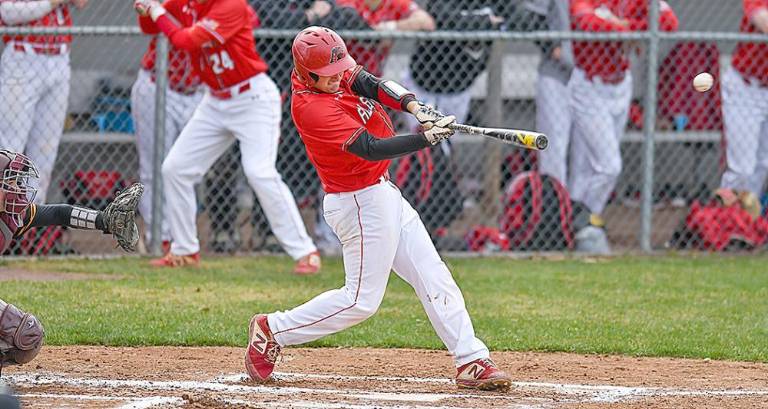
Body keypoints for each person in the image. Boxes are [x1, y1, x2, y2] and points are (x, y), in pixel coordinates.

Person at [244, 27, 511, 391]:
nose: (338, 77)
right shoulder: (310, 107)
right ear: (307, 74)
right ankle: (272, 329)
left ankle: (471, 359)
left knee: (433, 273)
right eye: (329, 75)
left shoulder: (333, 72)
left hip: (382, 193)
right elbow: (370, 147)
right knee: (360, 301)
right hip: (356, 202)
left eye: (339, 69)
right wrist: (424, 138)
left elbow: (373, 83)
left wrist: (415, 107)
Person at [133, 0, 321, 273]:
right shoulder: (184, 4)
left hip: (251, 98)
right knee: (176, 169)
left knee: (259, 172)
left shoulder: (231, 5)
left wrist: (157, 11)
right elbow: (149, 26)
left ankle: (306, 252)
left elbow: (188, 41)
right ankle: (184, 249)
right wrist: (150, 7)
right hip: (215, 102)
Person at [568, 0, 678, 253]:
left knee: (591, 167)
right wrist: (631, 30)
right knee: (608, 166)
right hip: (589, 87)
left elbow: (669, 23)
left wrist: (624, 26)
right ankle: (584, 221)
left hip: (620, 86)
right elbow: (586, 22)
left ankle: (579, 226)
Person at [0, 0, 88, 203]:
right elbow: (8, 12)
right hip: (23, 59)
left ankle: (31, 222)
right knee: (9, 147)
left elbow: (82, 2)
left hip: (59, 59)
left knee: (45, 151)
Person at [133, 15, 204, 254]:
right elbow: (146, 24)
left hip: (197, 91)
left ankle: (182, 237)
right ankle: (159, 236)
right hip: (157, 84)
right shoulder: (171, 6)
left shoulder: (218, 8)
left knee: (186, 169)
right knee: (154, 166)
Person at [0, 149, 143, 254]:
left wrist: (104, 220)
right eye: (9, 183)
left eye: (17, 182)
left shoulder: (11, 215)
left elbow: (60, 214)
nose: (17, 190)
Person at [719, 0, 768, 199]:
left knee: (763, 165)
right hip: (745, 88)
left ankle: (746, 223)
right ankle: (725, 221)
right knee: (742, 170)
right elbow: (762, 20)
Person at [523, 0, 575, 187]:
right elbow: (531, 17)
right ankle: (555, 207)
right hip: (556, 75)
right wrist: (553, 48)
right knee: (553, 148)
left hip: (592, 77)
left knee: (590, 154)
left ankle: (581, 211)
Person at [336, 0, 435, 76]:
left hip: (374, 73)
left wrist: (390, 27)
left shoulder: (393, 3)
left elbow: (427, 22)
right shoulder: (349, 2)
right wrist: (373, 34)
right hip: (343, 71)